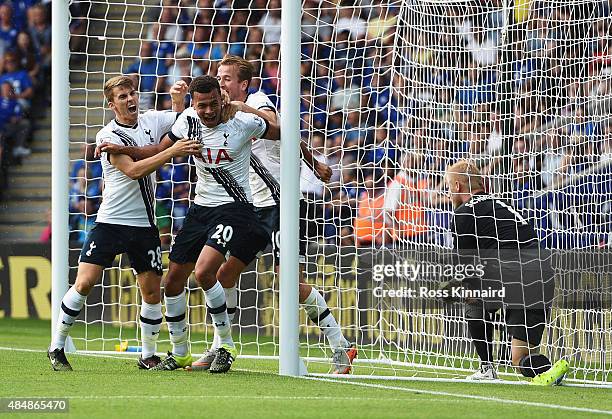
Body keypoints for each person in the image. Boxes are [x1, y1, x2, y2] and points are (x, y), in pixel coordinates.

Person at [192, 55, 357, 374]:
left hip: (283, 203)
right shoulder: (221, 116)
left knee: (290, 283)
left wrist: (311, 163)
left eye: (226, 78)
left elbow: (281, 127)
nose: (221, 82)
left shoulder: (257, 100)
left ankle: (340, 346)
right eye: (219, 77)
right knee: (223, 274)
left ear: (243, 84)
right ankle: (220, 346)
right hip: (252, 209)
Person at [47, 76, 200, 371]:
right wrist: (170, 152)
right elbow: (133, 171)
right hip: (111, 221)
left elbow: (182, 122)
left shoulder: (153, 120)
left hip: (144, 225)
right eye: (122, 96)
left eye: (132, 94)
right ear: (111, 104)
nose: (130, 100)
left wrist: (178, 99)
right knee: (84, 282)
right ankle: (57, 346)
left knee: (152, 292)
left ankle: (148, 355)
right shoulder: (109, 136)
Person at [444, 160, 569, 385]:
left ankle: (486, 367)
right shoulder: (505, 204)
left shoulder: (463, 213)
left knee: (471, 297)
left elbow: (465, 265)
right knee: (520, 358)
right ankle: (552, 370)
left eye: (447, 187)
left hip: (513, 275)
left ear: (457, 186)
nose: (447, 193)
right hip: (542, 274)